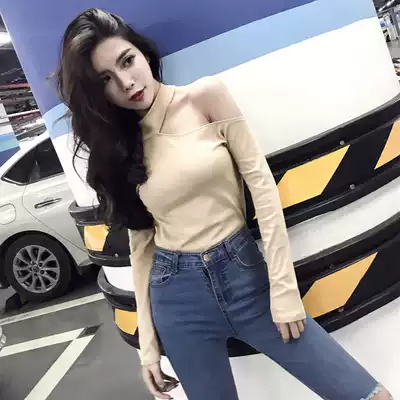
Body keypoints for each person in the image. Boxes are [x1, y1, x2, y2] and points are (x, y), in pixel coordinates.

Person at [56, 8, 393, 400]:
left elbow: (262, 186)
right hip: (178, 298)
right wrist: (148, 346)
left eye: (127, 61)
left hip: (247, 279)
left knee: (367, 395)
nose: (126, 82)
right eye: (106, 80)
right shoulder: (123, 147)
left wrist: (283, 288)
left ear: (143, 53)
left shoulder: (204, 98)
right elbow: (141, 244)